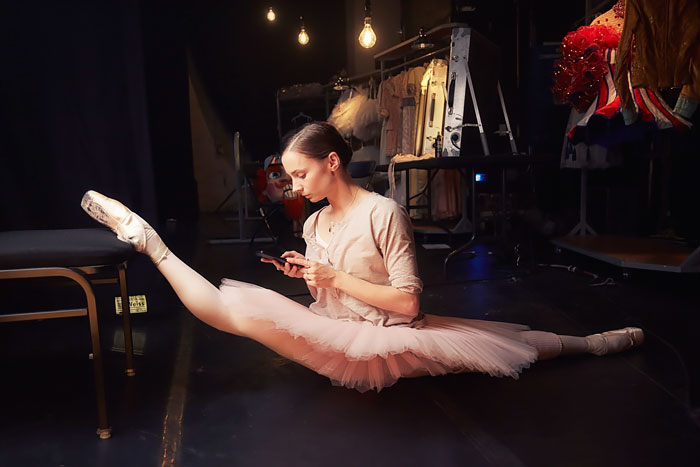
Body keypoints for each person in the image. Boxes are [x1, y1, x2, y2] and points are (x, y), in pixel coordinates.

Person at [80, 122, 644, 393]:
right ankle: (150, 242)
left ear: (332, 162)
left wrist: (333, 276)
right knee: (236, 313)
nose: (294, 187)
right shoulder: (313, 222)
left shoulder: (384, 213)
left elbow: (408, 304)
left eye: (300, 174)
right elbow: (326, 293)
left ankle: (592, 343)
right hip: (336, 330)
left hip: (388, 335)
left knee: (508, 346)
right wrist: (309, 275)